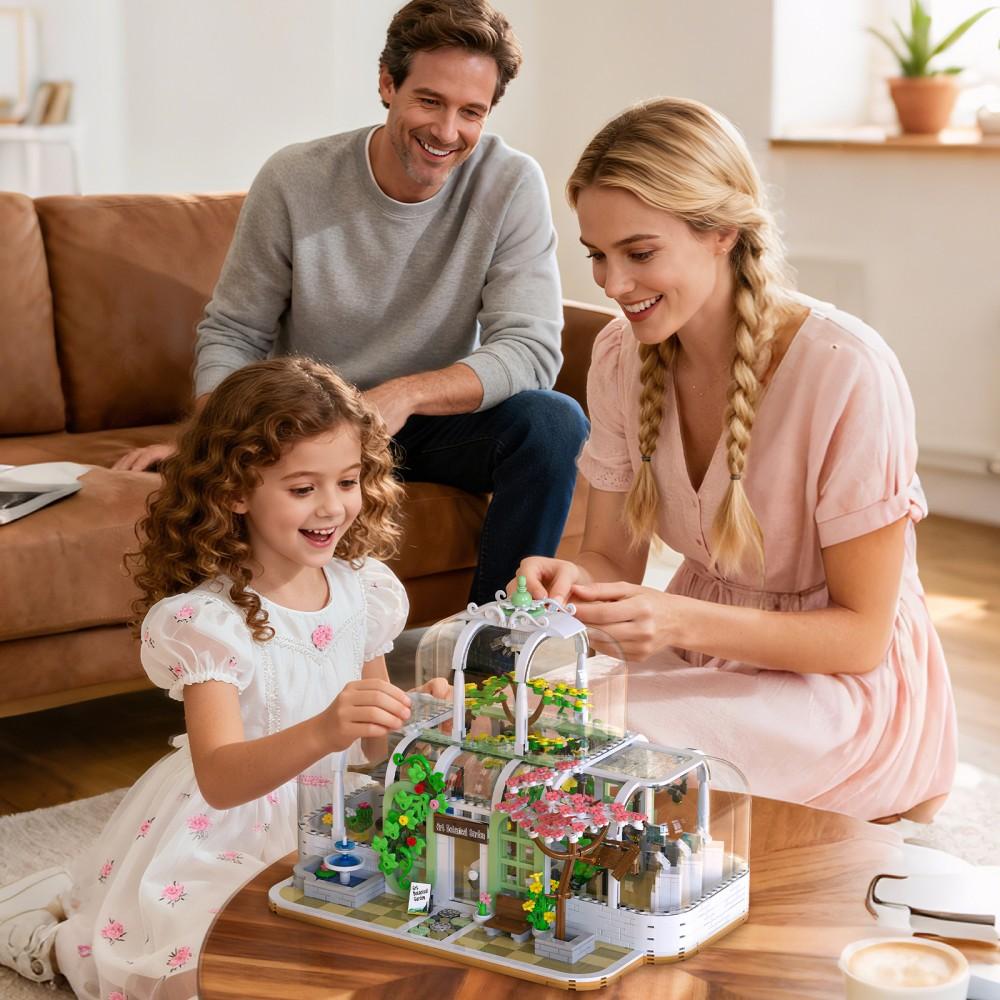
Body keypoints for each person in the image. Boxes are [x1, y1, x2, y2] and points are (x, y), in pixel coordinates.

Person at [516, 98, 957, 823]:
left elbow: (860, 636)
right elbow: (609, 560)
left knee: (614, 754)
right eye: (597, 255)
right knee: (534, 721)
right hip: (708, 655)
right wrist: (573, 582)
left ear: (721, 230)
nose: (612, 285)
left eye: (640, 252)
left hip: (839, 690)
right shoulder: (622, 355)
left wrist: (677, 621)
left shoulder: (847, 370)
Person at [114, 0, 588, 607]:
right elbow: (235, 331)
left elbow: (530, 348)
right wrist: (213, 439)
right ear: (387, 84)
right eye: (429, 101)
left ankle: (495, 643)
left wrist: (406, 395)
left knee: (552, 422)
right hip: (309, 430)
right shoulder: (295, 178)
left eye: (471, 111)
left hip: (424, 426)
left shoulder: (511, 182)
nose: (448, 132)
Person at [0, 357, 420, 998]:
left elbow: (371, 745)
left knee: (378, 947)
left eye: (348, 480)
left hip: (330, 817)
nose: (332, 507)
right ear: (234, 491)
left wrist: (410, 715)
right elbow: (221, 779)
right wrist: (329, 725)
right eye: (302, 488)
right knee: (206, 972)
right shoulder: (208, 620)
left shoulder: (364, 589)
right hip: (223, 829)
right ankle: (46, 935)